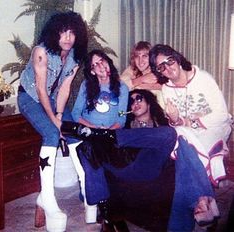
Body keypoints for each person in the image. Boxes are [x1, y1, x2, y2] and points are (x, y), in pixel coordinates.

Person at [62, 89, 220, 231]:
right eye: (131, 101)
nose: (135, 102)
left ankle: (199, 201)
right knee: (87, 145)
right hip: (128, 165)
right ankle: (105, 210)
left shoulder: (163, 125)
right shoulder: (125, 127)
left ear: (149, 102)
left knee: (172, 135)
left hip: (152, 166)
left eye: (139, 98)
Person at [17, 11, 88, 232]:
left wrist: (60, 115)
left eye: (72, 33)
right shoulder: (41, 52)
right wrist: (54, 121)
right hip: (30, 97)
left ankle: (88, 189)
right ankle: (47, 197)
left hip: (54, 99)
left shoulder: (75, 56)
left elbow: (65, 87)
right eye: (62, 32)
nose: (67, 38)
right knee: (51, 134)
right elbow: (39, 90)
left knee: (74, 133)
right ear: (54, 34)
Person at [149, 44, 232, 186]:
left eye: (169, 61)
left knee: (190, 155)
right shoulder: (166, 89)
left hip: (215, 126)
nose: (168, 68)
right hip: (189, 132)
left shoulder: (203, 78)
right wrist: (174, 118)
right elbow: (178, 123)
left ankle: (200, 196)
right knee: (175, 146)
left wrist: (191, 123)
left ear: (177, 59)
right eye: (161, 67)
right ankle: (199, 196)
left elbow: (222, 115)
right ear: (159, 72)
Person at [71, 49, 129, 228]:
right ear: (92, 71)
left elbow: (121, 117)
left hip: (111, 133)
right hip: (91, 132)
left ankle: (106, 206)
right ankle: (106, 208)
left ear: (108, 62)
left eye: (102, 61)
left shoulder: (122, 88)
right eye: (94, 65)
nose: (100, 66)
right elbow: (75, 114)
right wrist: (93, 127)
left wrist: (110, 130)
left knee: (93, 153)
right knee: (90, 147)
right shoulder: (86, 87)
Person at [120, 41, 166, 107]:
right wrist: (142, 79)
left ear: (151, 57)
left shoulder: (159, 69)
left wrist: (138, 86)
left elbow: (169, 86)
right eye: (137, 56)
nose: (140, 60)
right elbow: (119, 87)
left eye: (144, 56)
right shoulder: (131, 70)